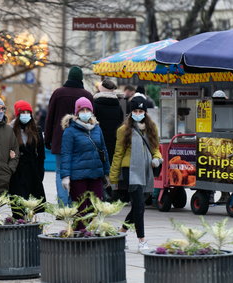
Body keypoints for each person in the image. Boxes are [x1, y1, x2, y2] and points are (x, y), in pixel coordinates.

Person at [109, 96, 162, 254]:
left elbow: (156, 148)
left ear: (145, 112)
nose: (138, 113)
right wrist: (113, 178)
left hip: (146, 169)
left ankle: (121, 232)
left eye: (141, 111)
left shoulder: (152, 128)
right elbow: (118, 154)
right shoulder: (123, 130)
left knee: (141, 205)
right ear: (130, 112)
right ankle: (142, 240)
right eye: (135, 111)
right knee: (138, 205)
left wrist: (158, 159)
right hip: (130, 170)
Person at [44, 66, 93, 206]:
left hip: (60, 139)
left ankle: (63, 205)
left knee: (60, 171)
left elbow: (50, 118)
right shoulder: (87, 95)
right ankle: (74, 204)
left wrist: (48, 139)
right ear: (81, 78)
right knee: (77, 172)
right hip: (82, 140)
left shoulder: (58, 93)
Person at [60, 97, 110, 230]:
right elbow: (66, 154)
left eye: (88, 109)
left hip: (95, 174)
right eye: (82, 110)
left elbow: (103, 151)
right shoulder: (70, 131)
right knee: (80, 209)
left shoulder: (96, 128)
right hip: (78, 176)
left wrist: (107, 172)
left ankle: (91, 232)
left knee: (96, 206)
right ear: (77, 112)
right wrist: (65, 176)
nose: (85, 112)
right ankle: (80, 235)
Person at [9, 100, 46, 218]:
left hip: (33, 172)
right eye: (22, 112)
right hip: (17, 173)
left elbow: (41, 154)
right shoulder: (10, 130)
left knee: (34, 208)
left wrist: (40, 172)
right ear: (17, 114)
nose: (25, 115)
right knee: (18, 208)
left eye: (28, 112)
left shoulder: (36, 129)